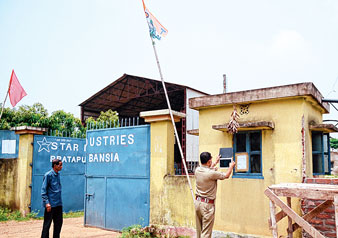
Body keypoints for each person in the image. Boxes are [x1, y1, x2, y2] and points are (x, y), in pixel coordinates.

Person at [194, 152, 236, 238]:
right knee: (206, 233)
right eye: (211, 160)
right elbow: (226, 175)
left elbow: (208, 169)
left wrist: (215, 162)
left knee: (199, 231)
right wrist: (231, 166)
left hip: (198, 203)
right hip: (207, 206)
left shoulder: (197, 170)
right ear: (209, 161)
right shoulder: (211, 173)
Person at [41, 159, 63, 238]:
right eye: (60, 165)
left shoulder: (58, 175)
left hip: (58, 204)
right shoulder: (48, 175)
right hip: (50, 205)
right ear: (55, 166)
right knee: (47, 225)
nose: (61, 167)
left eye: (61, 165)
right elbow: (43, 190)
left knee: (58, 224)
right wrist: (47, 203)